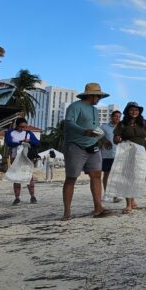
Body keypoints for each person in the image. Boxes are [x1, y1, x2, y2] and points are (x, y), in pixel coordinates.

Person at [62, 83, 112, 220]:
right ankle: (67, 211)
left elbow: (95, 128)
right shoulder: (75, 107)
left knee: (96, 175)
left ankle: (98, 207)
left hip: (93, 145)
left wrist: (102, 140)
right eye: (98, 96)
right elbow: (69, 123)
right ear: (91, 95)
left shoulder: (95, 110)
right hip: (75, 145)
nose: (100, 99)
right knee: (71, 178)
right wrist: (84, 131)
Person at [111, 102, 146, 214]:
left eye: (136, 110)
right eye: (132, 110)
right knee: (127, 176)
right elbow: (115, 140)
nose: (134, 112)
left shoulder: (144, 123)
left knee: (137, 177)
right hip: (126, 151)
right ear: (127, 111)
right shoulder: (122, 123)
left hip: (140, 153)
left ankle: (133, 199)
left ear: (139, 112)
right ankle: (128, 204)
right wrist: (117, 139)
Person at [5, 118, 40, 205]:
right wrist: (21, 142)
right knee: (16, 178)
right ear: (17, 125)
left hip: (26, 157)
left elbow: (37, 142)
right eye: (21, 127)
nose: (23, 128)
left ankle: (32, 196)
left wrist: (30, 141)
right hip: (15, 157)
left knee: (29, 177)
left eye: (25, 126)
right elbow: (9, 142)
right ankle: (17, 197)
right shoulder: (10, 132)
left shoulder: (28, 133)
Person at [100, 110, 122, 203]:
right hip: (108, 154)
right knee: (107, 174)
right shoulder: (104, 127)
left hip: (120, 154)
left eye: (119, 117)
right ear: (111, 117)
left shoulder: (122, 127)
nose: (117, 118)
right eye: (115, 116)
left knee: (117, 175)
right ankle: (106, 194)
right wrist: (104, 140)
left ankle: (115, 195)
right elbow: (97, 135)